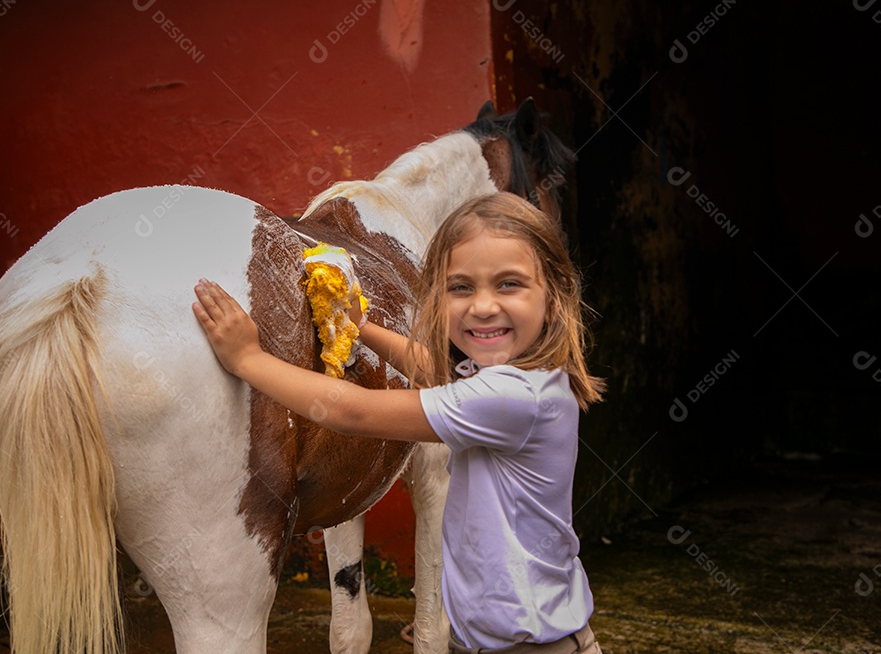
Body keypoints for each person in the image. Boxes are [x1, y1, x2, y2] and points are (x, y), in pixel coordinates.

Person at [193, 192, 606, 653]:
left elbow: (354, 412)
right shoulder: (526, 376)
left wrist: (248, 359)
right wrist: (361, 326)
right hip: (509, 637)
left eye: (509, 284)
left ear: (556, 296)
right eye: (461, 287)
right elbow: (436, 371)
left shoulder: (513, 399)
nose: (483, 306)